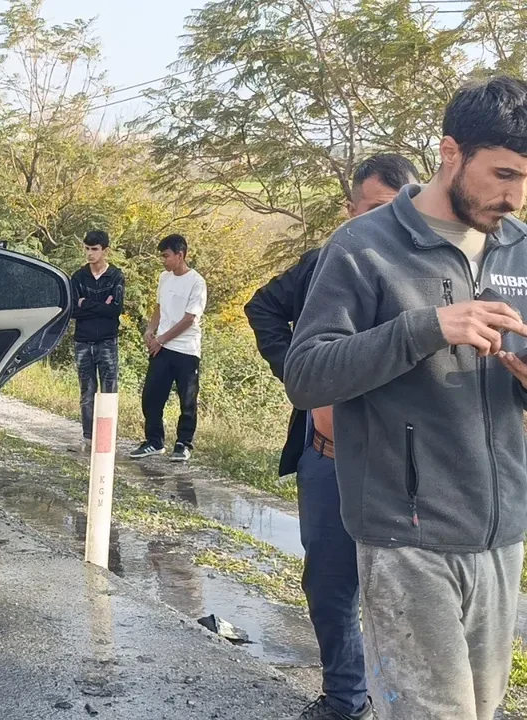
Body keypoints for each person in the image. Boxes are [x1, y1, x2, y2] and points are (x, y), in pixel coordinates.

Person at [286, 75, 527, 720]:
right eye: (503, 174)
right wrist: (423, 328)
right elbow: (307, 374)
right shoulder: (364, 249)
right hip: (406, 533)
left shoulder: (521, 248)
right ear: (451, 153)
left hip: (503, 534)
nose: (516, 196)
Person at [245, 153, 420, 720]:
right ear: (351, 210)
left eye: (399, 208)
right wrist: (307, 385)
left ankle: (406, 705)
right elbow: (264, 308)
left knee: (406, 595)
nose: (387, 221)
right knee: (329, 586)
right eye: (373, 209)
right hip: (328, 457)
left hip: (407, 468)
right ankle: (346, 700)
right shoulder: (327, 261)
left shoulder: (432, 270)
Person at [129, 234, 207, 463]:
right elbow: (159, 306)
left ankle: (183, 444)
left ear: (180, 255)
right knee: (151, 396)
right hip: (161, 347)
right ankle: (154, 441)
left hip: (186, 349)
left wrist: (162, 339)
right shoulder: (165, 278)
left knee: (188, 399)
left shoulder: (197, 282)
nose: (163, 261)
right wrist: (150, 330)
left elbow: (190, 319)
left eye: (166, 256)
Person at [72, 229, 125, 452]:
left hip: (107, 340)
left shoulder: (115, 276)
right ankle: (88, 438)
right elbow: (74, 309)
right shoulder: (78, 277)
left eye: (94, 249)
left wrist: (87, 303)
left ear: (105, 250)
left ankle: (107, 437)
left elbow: (115, 309)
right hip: (83, 340)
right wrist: (99, 305)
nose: (90, 253)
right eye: (87, 248)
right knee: (87, 391)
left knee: (109, 390)